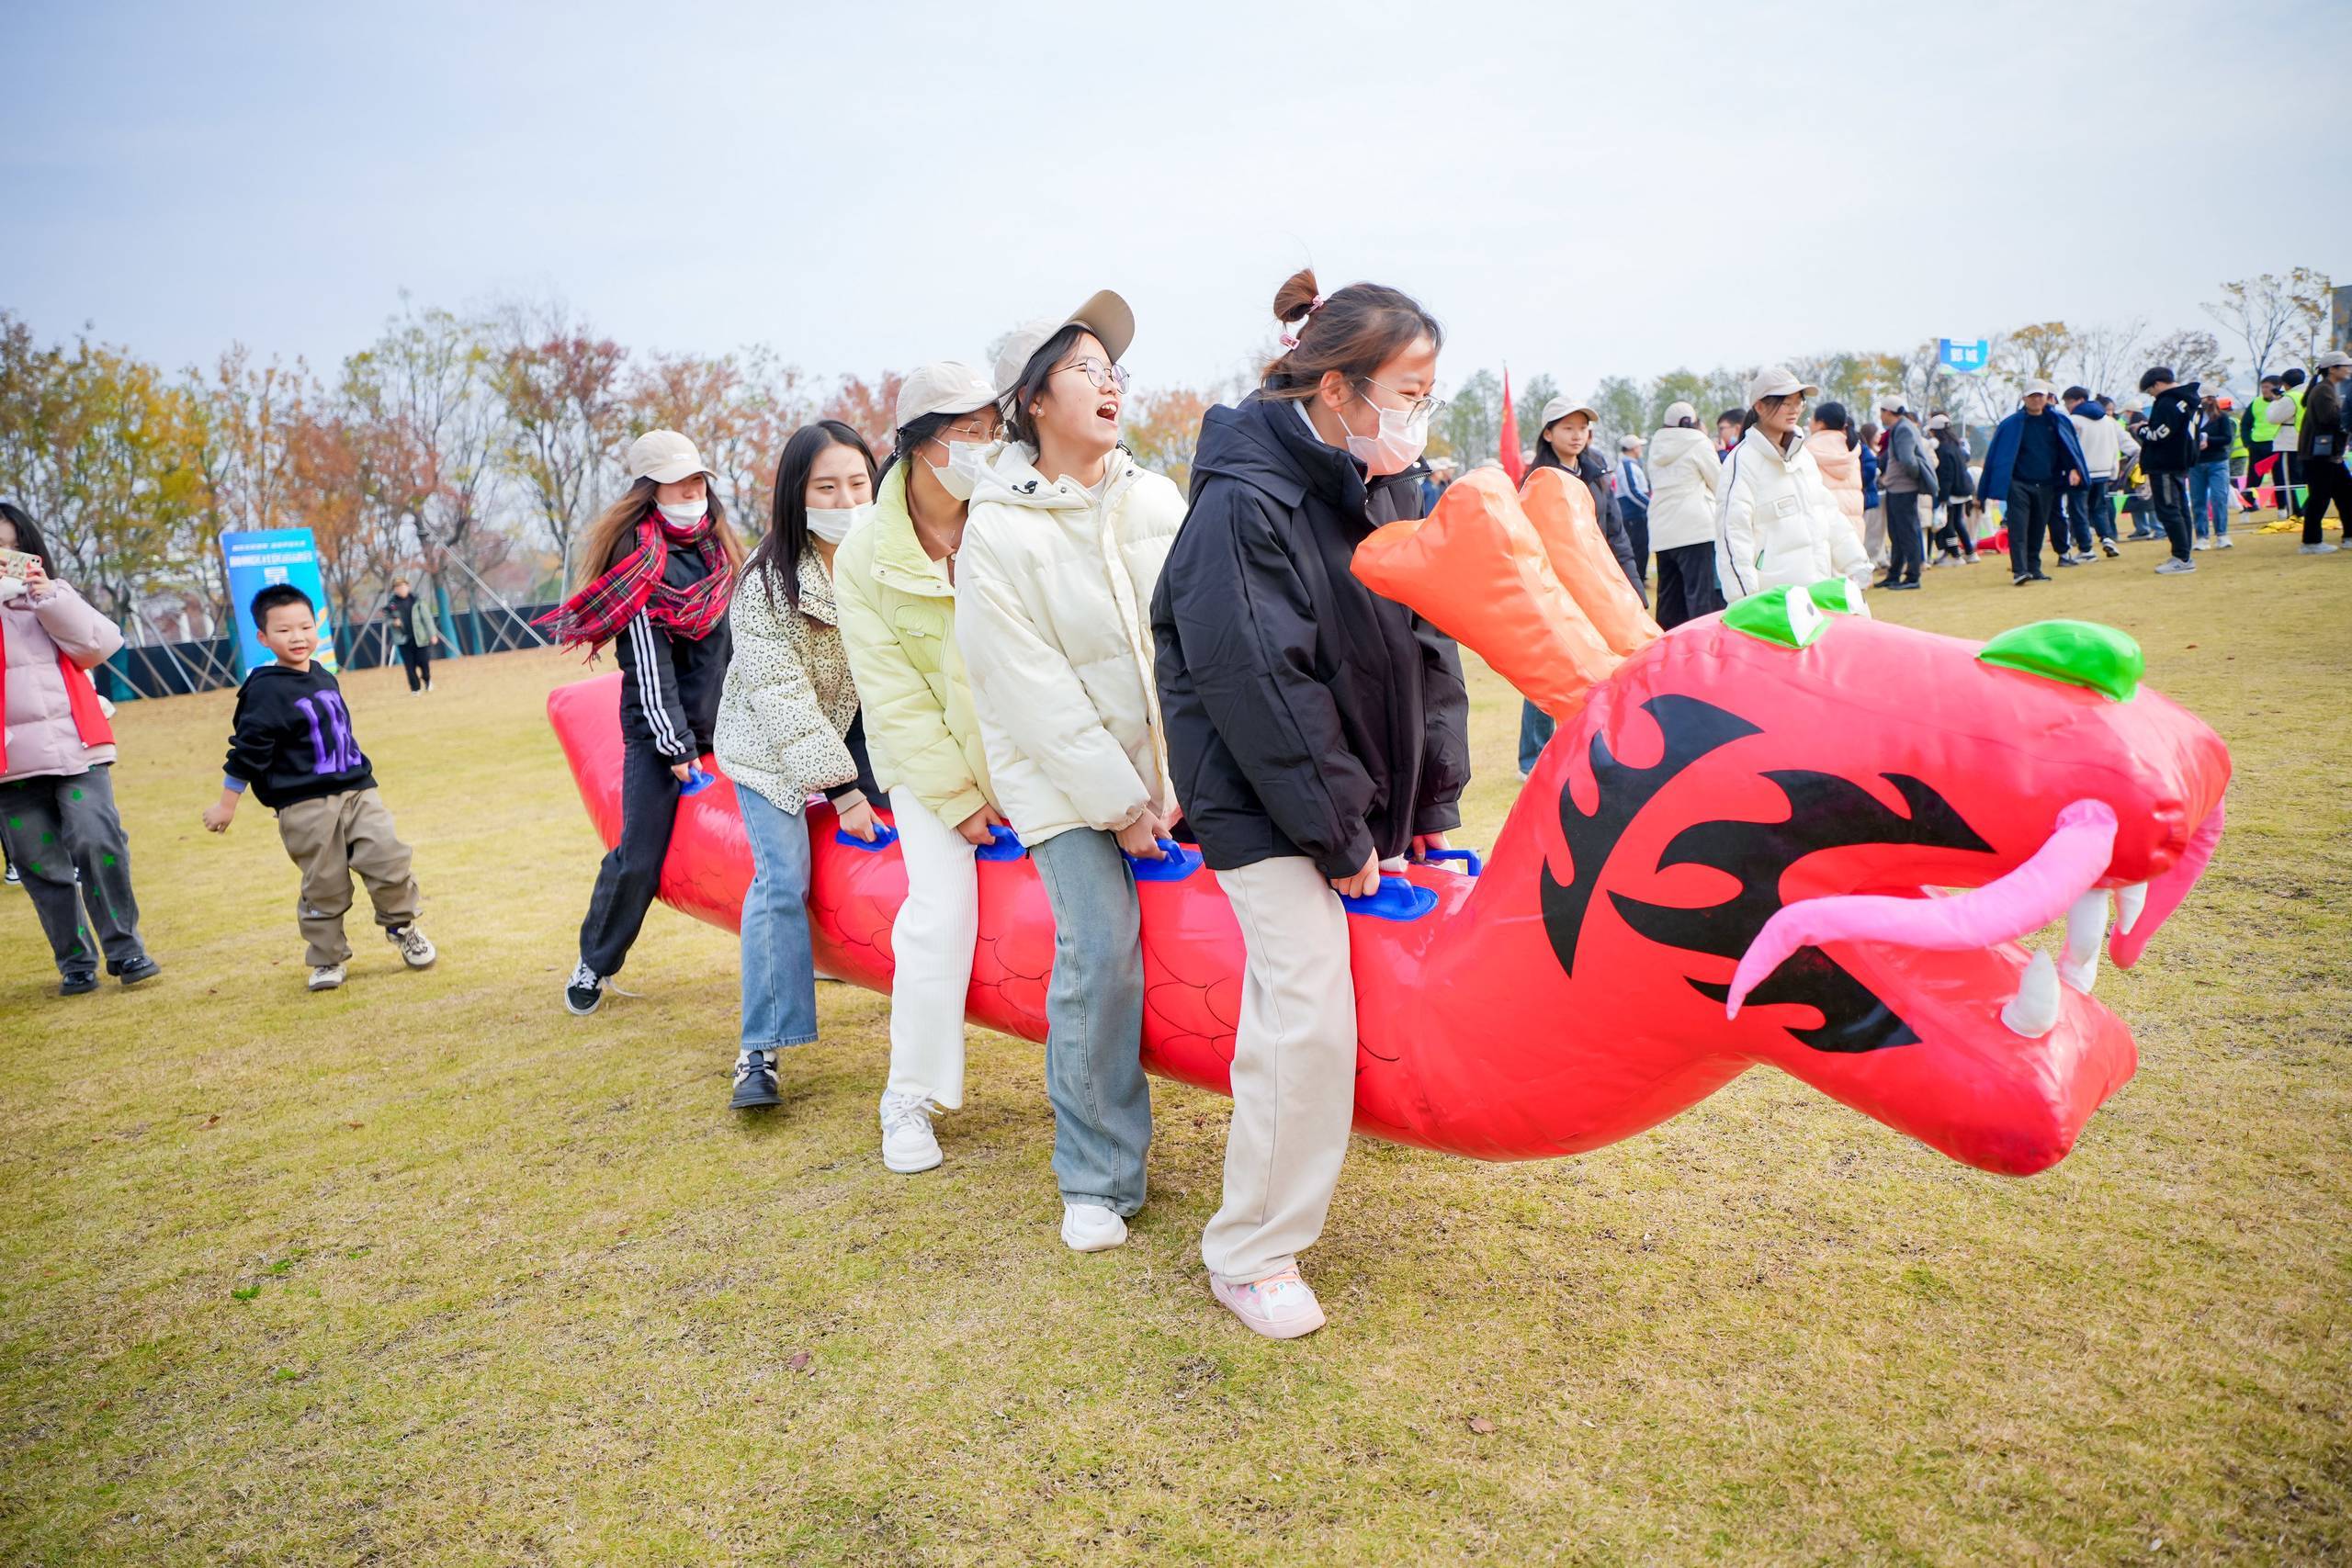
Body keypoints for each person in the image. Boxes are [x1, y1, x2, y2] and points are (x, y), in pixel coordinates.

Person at [1152, 268, 1468, 1339]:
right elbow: (1259, 686)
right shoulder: (1243, 503)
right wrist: (1336, 833)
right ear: (1337, 390)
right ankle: (1248, 1251)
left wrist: (1428, 800)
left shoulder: (1375, 481)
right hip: (1260, 801)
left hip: (1348, 796)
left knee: (1342, 1000)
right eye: (1407, 389)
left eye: (1428, 390)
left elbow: (1427, 646)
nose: (1418, 411)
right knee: (1303, 1014)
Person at [955, 290, 1182, 1256]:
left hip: (1176, 767)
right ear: (1032, 402)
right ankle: (1094, 1175)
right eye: (1086, 367)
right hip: (1064, 786)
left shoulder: (1155, 496)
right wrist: (1123, 807)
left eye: (1114, 369)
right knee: (1098, 950)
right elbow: (1032, 696)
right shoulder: (994, 532)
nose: (1110, 383)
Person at [833, 361, 1010, 1172]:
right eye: (964, 432)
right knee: (938, 910)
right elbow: (892, 696)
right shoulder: (865, 551)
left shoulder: (1011, 509)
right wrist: (957, 796)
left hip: (1025, 740)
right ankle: (908, 1096)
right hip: (927, 761)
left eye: (991, 427)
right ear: (918, 444)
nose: (983, 444)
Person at [712, 421, 887, 1112]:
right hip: (767, 747)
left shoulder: (885, 558)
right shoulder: (764, 582)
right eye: (826, 487)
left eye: (856, 483)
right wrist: (842, 790)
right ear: (796, 495)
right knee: (782, 877)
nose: (846, 498)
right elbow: (781, 699)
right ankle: (759, 1050)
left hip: (859, 731)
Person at [544, 431, 743, 1014]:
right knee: (640, 856)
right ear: (649, 490)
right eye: (677, 481)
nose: (691, 489)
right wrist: (676, 747)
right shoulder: (637, 563)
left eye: (697, 478)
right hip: (662, 737)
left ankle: (811, 951)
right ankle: (596, 960)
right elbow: (648, 667)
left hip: (731, 724)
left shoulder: (722, 551)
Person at [201, 583, 435, 991]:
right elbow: (247, 751)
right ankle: (327, 959)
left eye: (306, 627)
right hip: (303, 804)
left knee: (389, 858)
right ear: (263, 637)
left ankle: (402, 928)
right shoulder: (263, 689)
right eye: (284, 630)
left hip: (359, 790)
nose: (297, 637)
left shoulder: (324, 673)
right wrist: (227, 804)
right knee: (324, 884)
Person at [0, 502, 161, 995]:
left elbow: (99, 645)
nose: (5, 557)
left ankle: (125, 948)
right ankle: (74, 960)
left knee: (98, 840)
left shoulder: (54, 595)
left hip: (77, 747)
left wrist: (48, 597)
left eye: (11, 546)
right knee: (39, 863)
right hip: (8, 763)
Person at [1520, 394, 1643, 775]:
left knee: (1604, 663)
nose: (1577, 435)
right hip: (1557, 586)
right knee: (1550, 666)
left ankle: (1598, 742)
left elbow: (1616, 534)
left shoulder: (1596, 473)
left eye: (1583, 427)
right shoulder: (1537, 480)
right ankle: (1533, 757)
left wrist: (1633, 588)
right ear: (1548, 432)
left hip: (1600, 585)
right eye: (1568, 427)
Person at [1714, 367, 1872, 604]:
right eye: (1786, 403)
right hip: (1774, 602)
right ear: (1759, 406)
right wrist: (1744, 599)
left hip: (1817, 591)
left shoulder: (1803, 456)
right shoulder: (1743, 461)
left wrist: (1856, 562)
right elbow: (1734, 533)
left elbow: (1827, 512)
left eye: (1799, 402)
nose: (1795, 409)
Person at [1975, 379, 2087, 585]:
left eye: (2040, 396)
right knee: (2019, 528)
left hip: (2046, 483)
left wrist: (2074, 468)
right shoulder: (2011, 424)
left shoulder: (2057, 422)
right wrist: (1985, 490)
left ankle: (2035, 568)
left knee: (2038, 527)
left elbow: (2069, 450)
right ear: (2024, 398)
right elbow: (1996, 457)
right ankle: (2020, 570)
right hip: (2018, 483)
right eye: (2032, 396)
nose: (2036, 399)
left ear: (2047, 398)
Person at [1645, 401, 1725, 628]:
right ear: (1690, 422)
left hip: (1662, 531)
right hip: (1695, 530)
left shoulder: (1657, 446)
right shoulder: (1698, 442)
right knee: (1700, 601)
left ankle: (1669, 654)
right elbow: (1719, 483)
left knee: (1669, 603)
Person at [2137, 367, 2201, 574]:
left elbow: (2159, 434)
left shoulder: (2168, 402)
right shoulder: (2189, 401)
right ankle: (2184, 553)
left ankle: (2182, 558)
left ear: (2157, 384)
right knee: (2180, 508)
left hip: (2163, 463)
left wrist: (2141, 429)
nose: (2151, 395)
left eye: (2150, 391)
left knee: (2169, 509)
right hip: (2180, 461)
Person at [1873, 395, 1939, 590]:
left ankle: (1912, 576)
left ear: (1888, 412)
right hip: (1898, 488)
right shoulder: (1902, 427)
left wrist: (1911, 479)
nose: (1881, 416)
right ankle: (1894, 574)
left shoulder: (1903, 429)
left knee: (1907, 533)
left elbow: (1908, 460)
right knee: (1898, 533)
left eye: (1881, 412)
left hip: (1903, 489)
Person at [2293, 350, 2352, 554]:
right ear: (2332, 369)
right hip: (2319, 455)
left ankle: (2349, 537)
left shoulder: (2329, 389)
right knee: (2320, 496)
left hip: (2329, 454)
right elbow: (2330, 419)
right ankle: (2310, 542)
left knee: (2345, 494)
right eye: (2345, 366)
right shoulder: (2323, 391)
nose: (2349, 369)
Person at [2068, 390, 2127, 558]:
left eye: (2068, 403)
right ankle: (2107, 538)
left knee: (2079, 510)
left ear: (2078, 400)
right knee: (2099, 508)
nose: (2068, 408)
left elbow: (2070, 448)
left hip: (2081, 473)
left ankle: (2086, 548)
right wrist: (2113, 470)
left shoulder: (2073, 421)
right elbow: (2116, 445)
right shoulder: (2108, 421)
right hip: (2103, 471)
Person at [1803, 400, 1867, 549]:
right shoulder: (1850, 446)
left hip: (1825, 522)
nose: (1810, 423)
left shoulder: (1809, 448)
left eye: (1812, 419)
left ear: (1821, 423)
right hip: (1854, 523)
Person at [1927, 413, 1978, 562]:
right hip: (1962, 489)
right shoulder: (1956, 445)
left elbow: (1946, 476)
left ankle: (1955, 555)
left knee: (1949, 525)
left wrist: (1943, 497)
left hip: (1951, 492)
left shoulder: (1943, 449)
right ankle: (1969, 552)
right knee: (1957, 523)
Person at [2189, 393, 2236, 550]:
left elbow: (2227, 438)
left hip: (2218, 461)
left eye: (2208, 398)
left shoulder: (2221, 417)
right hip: (2196, 463)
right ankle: (2202, 537)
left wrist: (2208, 439)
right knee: (2198, 501)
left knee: (2218, 498)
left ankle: (2222, 534)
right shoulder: (2192, 418)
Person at [385, 578, 444, 694]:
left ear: (408, 587)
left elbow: (427, 619)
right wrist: (393, 622)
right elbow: (386, 619)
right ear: (394, 590)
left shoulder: (418, 601)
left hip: (420, 638)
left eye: (402, 586)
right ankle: (415, 689)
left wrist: (432, 634)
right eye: (397, 588)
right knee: (409, 666)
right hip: (403, 639)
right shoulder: (391, 604)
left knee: (423, 662)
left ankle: (427, 680)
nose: (400, 590)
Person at [1612, 432, 1652, 582]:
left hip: (1638, 514)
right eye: (1638, 447)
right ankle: (1637, 578)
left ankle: (1640, 576)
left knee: (1642, 546)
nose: (1640, 450)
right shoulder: (1626, 466)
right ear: (1633, 448)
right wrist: (1649, 505)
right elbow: (1632, 491)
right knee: (1637, 547)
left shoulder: (1631, 465)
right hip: (1633, 515)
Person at [2245, 372, 2286, 508]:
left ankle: (2282, 507)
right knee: (2253, 478)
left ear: (2277, 387)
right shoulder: (2255, 402)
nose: (2264, 390)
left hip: (2278, 445)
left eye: (2267, 387)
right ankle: (2248, 506)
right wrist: (2248, 443)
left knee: (2280, 478)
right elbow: (2245, 424)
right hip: (2257, 445)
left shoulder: (2284, 401)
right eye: (2262, 387)